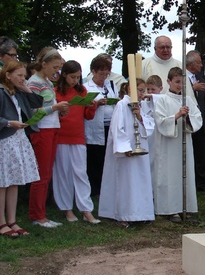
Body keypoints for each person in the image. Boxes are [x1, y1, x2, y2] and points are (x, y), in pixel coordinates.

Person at [98, 79, 155, 228]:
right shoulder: (121, 105)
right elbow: (117, 128)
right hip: (126, 150)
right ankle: (123, 214)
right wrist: (125, 147)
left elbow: (150, 125)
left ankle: (141, 213)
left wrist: (140, 117)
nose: (142, 94)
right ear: (130, 89)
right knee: (126, 182)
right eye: (140, 90)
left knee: (140, 181)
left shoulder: (141, 106)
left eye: (144, 90)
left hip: (140, 147)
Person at [152, 67, 202, 222]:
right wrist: (177, 115)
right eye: (177, 82)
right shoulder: (162, 100)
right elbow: (160, 121)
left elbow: (197, 118)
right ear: (168, 82)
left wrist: (188, 118)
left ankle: (186, 207)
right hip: (169, 145)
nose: (180, 85)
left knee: (185, 173)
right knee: (169, 174)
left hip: (184, 143)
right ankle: (170, 209)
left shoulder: (188, 100)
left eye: (182, 82)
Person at [27, 47, 69, 228]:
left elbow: (49, 107)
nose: (56, 72)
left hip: (52, 128)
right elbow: (30, 112)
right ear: (43, 64)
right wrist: (54, 108)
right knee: (42, 173)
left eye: (58, 68)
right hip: (41, 130)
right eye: (54, 67)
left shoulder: (47, 82)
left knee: (47, 172)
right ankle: (37, 215)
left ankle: (41, 213)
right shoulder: (34, 83)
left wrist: (60, 111)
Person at [53, 61, 100, 224]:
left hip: (78, 136)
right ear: (64, 75)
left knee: (80, 173)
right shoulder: (56, 91)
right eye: (72, 77)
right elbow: (53, 114)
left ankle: (86, 210)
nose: (75, 80)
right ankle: (67, 209)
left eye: (78, 77)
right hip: (61, 136)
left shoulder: (82, 90)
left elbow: (88, 115)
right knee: (63, 173)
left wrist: (91, 106)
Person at [0, 61, 42, 237]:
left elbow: (37, 102)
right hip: (5, 140)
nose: (22, 79)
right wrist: (9, 123)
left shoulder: (18, 92)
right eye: (19, 75)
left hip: (17, 140)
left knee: (14, 181)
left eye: (24, 75)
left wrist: (26, 87)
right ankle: (1, 222)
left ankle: (12, 220)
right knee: (3, 183)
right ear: (8, 75)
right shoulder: (1, 92)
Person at [84, 55, 119, 196]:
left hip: (109, 124)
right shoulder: (86, 87)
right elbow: (84, 106)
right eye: (101, 73)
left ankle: (107, 188)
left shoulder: (111, 85)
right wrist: (96, 104)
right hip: (94, 126)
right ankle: (95, 189)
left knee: (108, 157)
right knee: (95, 157)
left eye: (106, 74)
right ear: (93, 71)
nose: (103, 77)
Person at [186, 50, 205, 192]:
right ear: (191, 64)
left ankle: (201, 183)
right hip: (187, 120)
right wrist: (192, 88)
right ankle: (189, 181)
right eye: (199, 63)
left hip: (201, 121)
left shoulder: (201, 78)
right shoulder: (182, 77)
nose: (201, 66)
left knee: (202, 153)